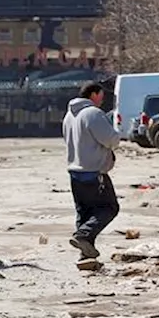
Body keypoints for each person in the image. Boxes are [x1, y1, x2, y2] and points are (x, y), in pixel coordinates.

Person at [62, 81, 121, 260]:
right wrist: (116, 139)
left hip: (74, 171)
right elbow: (110, 139)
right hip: (94, 172)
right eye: (101, 96)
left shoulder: (69, 116)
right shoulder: (92, 113)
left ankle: (86, 255)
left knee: (85, 212)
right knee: (109, 208)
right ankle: (83, 236)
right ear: (94, 94)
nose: (102, 100)